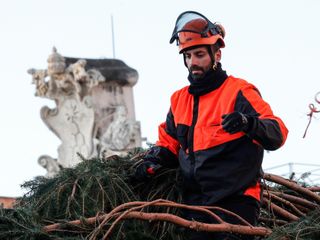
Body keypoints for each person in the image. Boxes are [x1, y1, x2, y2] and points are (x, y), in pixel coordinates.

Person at [135, 11, 288, 240]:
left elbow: (277, 133)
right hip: (195, 204)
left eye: (199, 55)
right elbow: (169, 143)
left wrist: (248, 123)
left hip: (237, 202)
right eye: (187, 56)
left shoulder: (239, 91)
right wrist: (152, 161)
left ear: (216, 55)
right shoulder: (179, 100)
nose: (192, 62)